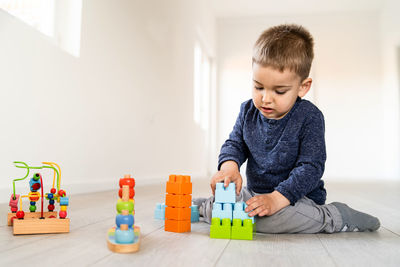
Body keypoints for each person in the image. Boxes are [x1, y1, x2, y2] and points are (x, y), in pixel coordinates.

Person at [193, 24, 380, 233]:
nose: (265, 98)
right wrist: (229, 168)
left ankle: (335, 216)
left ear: (303, 87)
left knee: (268, 222)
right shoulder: (248, 110)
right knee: (241, 207)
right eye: (258, 87)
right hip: (256, 194)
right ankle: (213, 206)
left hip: (296, 199)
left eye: (279, 91)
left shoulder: (309, 117)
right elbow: (234, 144)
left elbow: (311, 167)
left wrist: (276, 199)